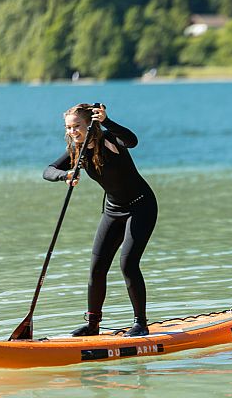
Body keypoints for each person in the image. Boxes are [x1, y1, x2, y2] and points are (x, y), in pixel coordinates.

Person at [43, 103, 158, 336]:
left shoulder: (109, 140)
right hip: (112, 210)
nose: (72, 132)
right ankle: (93, 325)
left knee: (128, 264)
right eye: (68, 127)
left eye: (77, 126)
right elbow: (48, 170)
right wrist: (65, 175)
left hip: (141, 206)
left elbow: (132, 140)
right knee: (96, 268)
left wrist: (106, 121)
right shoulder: (78, 149)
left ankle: (140, 324)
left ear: (90, 124)